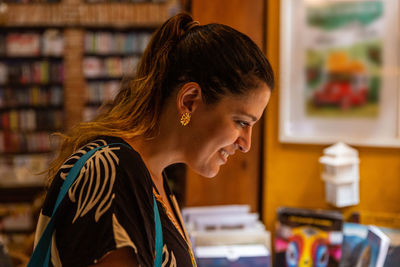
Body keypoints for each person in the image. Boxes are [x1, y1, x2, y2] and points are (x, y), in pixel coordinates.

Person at [33, 12, 274, 267]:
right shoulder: (112, 172)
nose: (246, 143)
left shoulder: (151, 177)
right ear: (190, 100)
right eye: (241, 122)